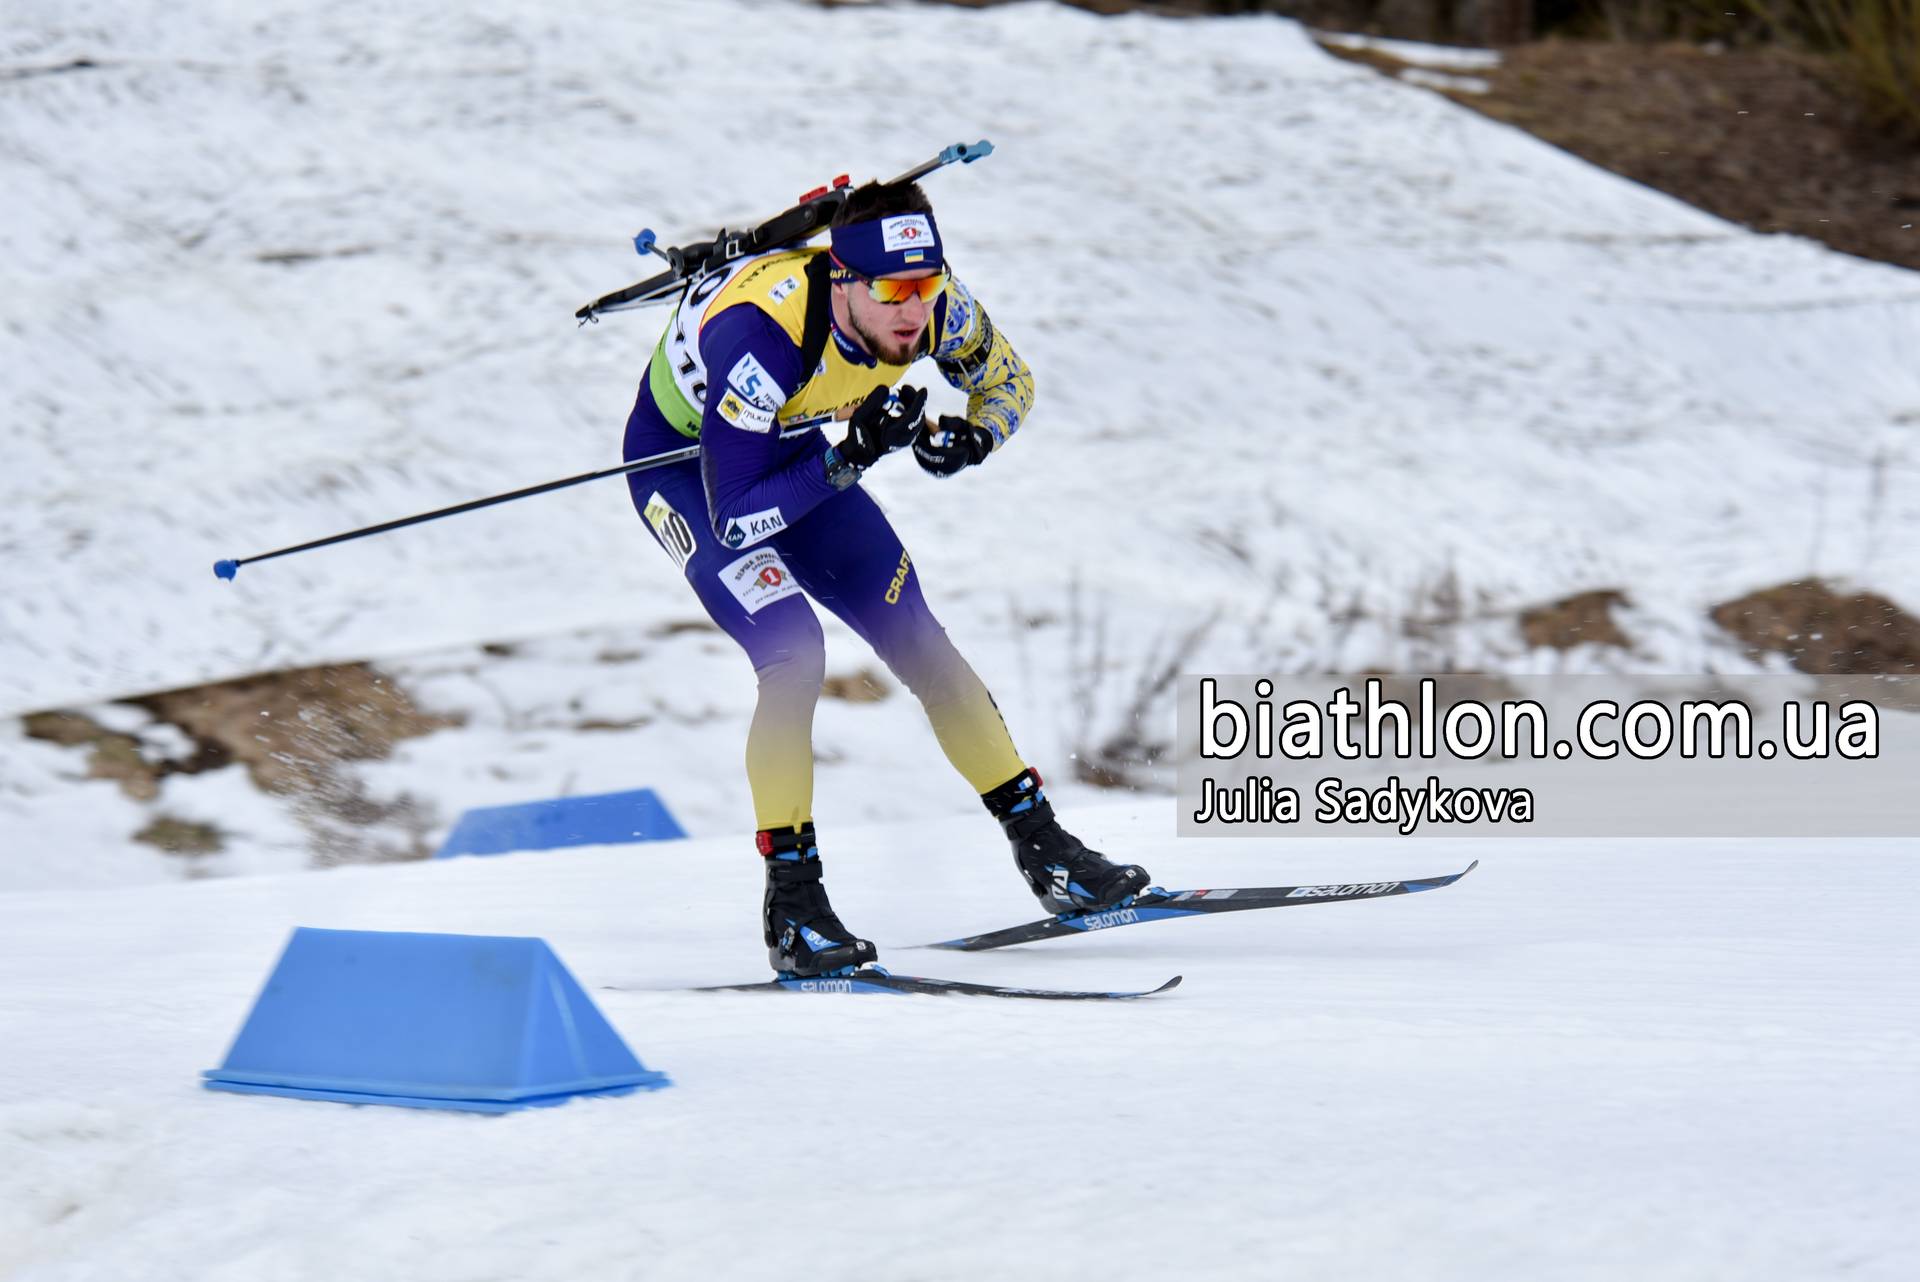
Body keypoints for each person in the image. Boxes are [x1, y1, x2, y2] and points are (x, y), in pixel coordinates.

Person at [621, 178, 1149, 976]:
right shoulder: (759, 338)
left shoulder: (937, 307)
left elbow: (1011, 385)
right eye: (893, 290)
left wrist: (975, 438)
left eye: (926, 284)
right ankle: (794, 906)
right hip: (690, 472)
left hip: (796, 453)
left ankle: (1047, 851)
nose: (914, 310)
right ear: (843, 279)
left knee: (919, 640)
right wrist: (850, 456)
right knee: (794, 654)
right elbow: (735, 519)